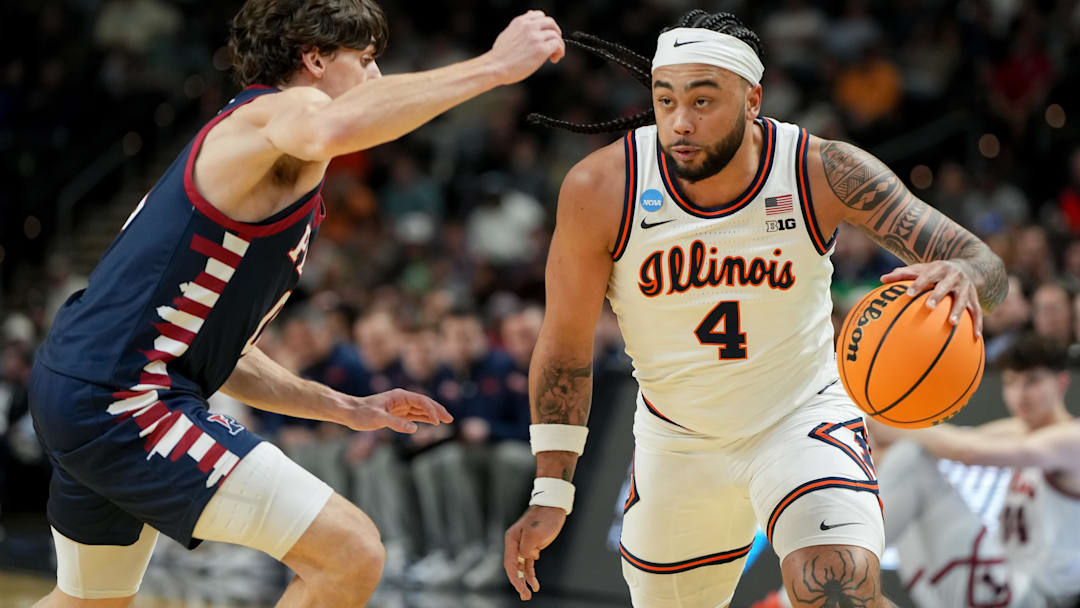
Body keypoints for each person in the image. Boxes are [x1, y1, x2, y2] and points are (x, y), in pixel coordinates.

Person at [28, 0, 566, 605]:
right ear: (314, 59)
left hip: (88, 384)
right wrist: (495, 66)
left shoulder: (265, 163)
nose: (376, 79)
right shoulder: (277, 114)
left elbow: (221, 353)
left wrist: (346, 408)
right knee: (351, 554)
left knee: (89, 603)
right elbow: (331, 124)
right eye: (363, 61)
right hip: (122, 398)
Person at [502, 10, 1006, 608]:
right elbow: (564, 348)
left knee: (837, 587)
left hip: (801, 419)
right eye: (665, 101)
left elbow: (982, 263)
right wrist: (551, 493)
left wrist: (966, 273)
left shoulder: (821, 170)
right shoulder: (602, 188)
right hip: (678, 438)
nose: (680, 122)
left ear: (752, 99)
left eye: (703, 101)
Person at [871, 334, 1080, 607]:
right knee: (911, 467)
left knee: (912, 456)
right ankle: (846, 567)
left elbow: (967, 452)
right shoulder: (1022, 431)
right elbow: (952, 443)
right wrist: (884, 444)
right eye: (1011, 383)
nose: (1020, 394)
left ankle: (843, 560)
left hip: (1036, 596)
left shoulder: (1072, 438)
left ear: (1061, 382)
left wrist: (899, 427)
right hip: (1002, 583)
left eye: (1032, 381)